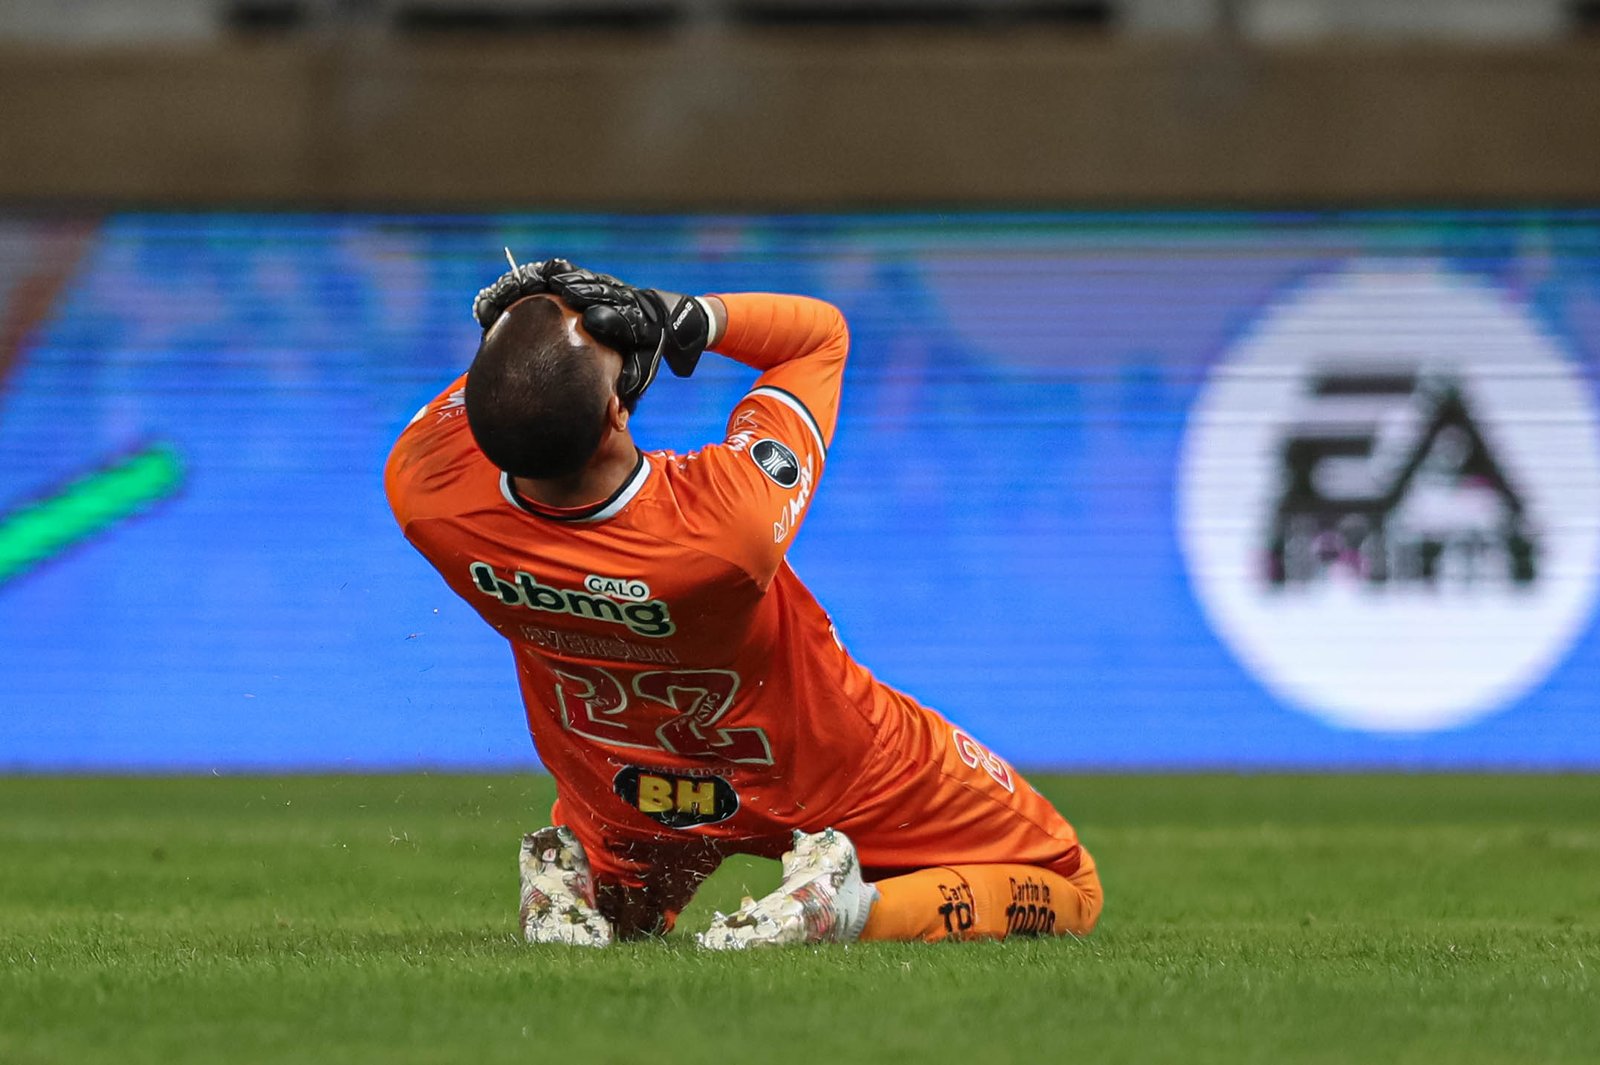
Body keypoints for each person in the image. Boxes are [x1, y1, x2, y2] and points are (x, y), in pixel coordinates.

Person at [384, 258, 1102, 948]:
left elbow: (510, 397)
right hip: (815, 771)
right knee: (1067, 882)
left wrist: (517, 331)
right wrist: (680, 314)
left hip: (622, 787)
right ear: (615, 411)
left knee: (627, 923)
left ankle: (572, 894)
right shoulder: (724, 525)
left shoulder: (426, 495)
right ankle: (847, 909)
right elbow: (818, 335)